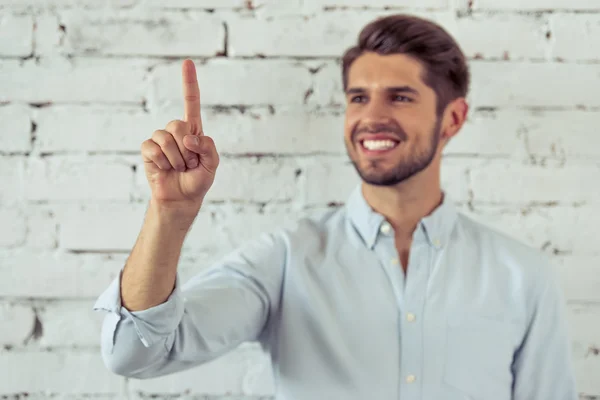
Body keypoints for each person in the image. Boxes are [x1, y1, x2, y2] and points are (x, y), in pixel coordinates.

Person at [93, 14, 578, 400]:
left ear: (452, 119)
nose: (371, 117)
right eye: (358, 97)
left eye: (401, 96)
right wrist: (169, 216)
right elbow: (133, 355)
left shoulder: (522, 276)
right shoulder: (285, 260)